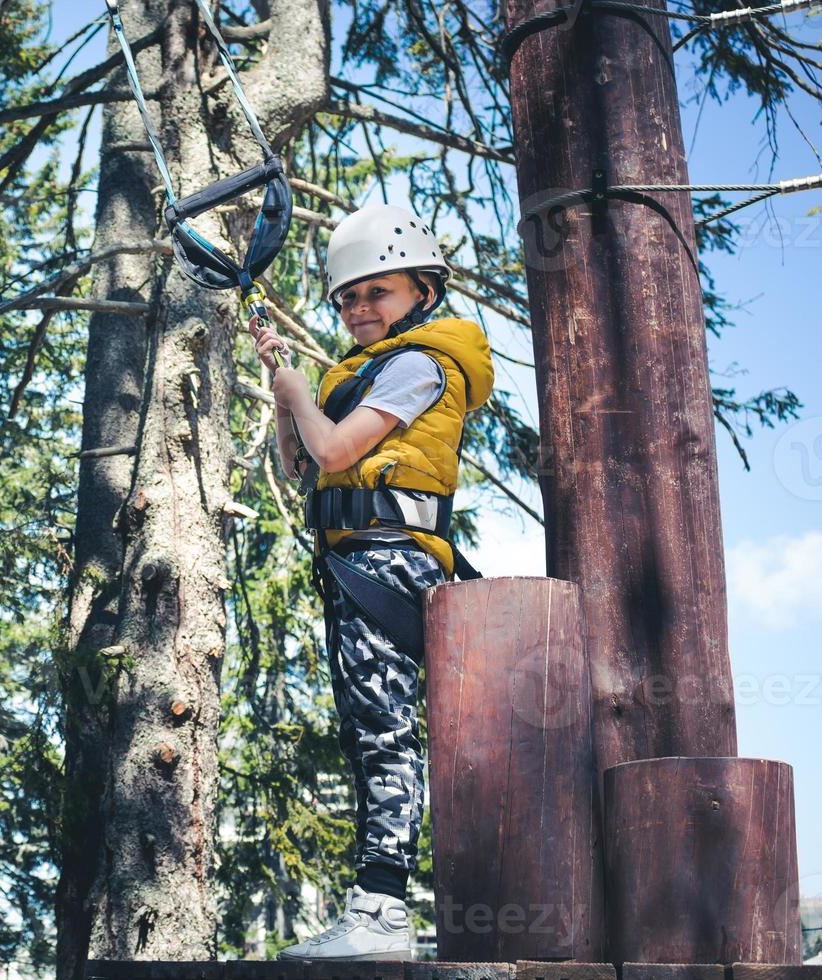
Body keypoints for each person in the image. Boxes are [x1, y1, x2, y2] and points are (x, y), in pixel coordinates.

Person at [249, 203, 494, 961]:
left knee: (384, 728)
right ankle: (376, 903)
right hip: (357, 558)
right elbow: (302, 464)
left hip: (389, 557)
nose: (357, 309)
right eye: (346, 298)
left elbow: (334, 453)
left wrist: (297, 392)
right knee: (368, 729)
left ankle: (384, 909)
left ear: (423, 290)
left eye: (375, 293)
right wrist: (284, 385)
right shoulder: (366, 372)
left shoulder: (420, 364)